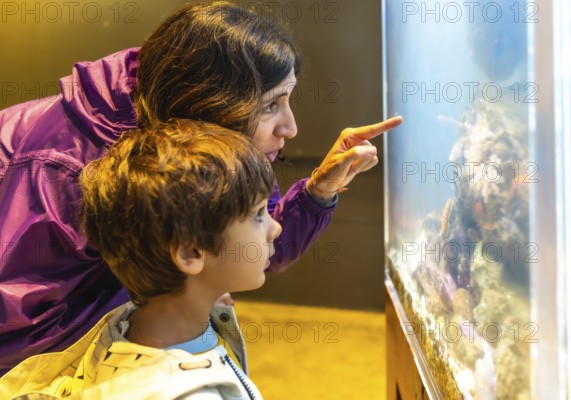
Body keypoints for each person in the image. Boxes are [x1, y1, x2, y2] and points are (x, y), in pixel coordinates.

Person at [0, 1, 402, 375]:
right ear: (212, 102)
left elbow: (252, 244)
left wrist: (318, 191)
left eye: (288, 100)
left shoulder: (199, 135)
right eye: (270, 105)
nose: (290, 127)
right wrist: (164, 306)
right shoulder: (60, 171)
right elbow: (20, 339)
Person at [0, 119, 280, 399]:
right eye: (258, 214)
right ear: (190, 252)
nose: (274, 228)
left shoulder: (124, 327)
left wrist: (206, 294)